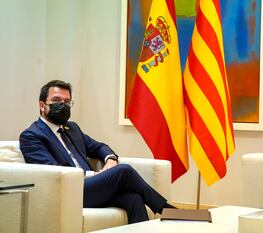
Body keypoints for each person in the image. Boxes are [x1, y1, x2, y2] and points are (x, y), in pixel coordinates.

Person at [19, 80, 175, 223]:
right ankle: (168, 211)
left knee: (134, 199)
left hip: (90, 188)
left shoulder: (71, 128)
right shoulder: (32, 135)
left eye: (67, 102)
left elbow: (99, 147)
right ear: (42, 105)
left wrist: (111, 159)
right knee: (123, 171)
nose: (62, 105)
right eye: (56, 101)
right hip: (67, 191)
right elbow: (52, 172)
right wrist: (95, 175)